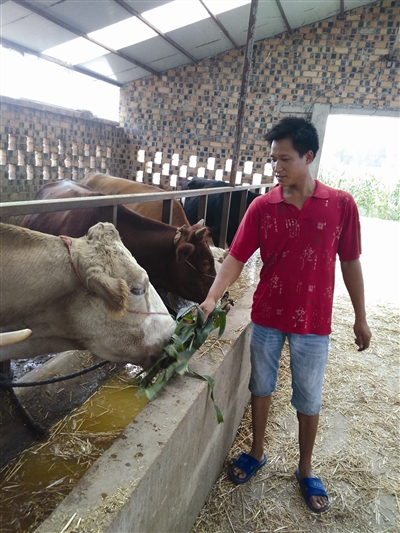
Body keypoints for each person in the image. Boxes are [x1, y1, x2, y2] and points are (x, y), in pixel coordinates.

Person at [199, 117, 372, 513]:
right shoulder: (263, 206)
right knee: (261, 386)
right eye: (273, 159)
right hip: (267, 316)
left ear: (309, 157)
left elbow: (350, 262)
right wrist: (211, 298)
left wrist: (360, 316)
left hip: (313, 321)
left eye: (285, 159)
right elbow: (236, 258)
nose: (276, 167)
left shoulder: (340, 204)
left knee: (308, 397)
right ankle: (257, 451)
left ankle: (305, 467)